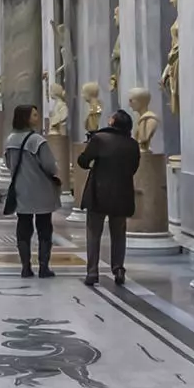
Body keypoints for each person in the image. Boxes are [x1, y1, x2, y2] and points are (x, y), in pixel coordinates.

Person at [78, 109, 141, 288]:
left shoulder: (99, 139)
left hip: (99, 192)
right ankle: (118, 268)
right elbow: (134, 167)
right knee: (119, 233)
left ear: (113, 122)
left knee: (93, 232)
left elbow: (82, 161)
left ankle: (92, 272)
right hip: (122, 192)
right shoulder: (132, 144)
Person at [2, 102, 62, 279]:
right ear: (26, 118)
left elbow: (8, 163)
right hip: (41, 189)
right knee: (44, 228)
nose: (37, 117)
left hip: (21, 189)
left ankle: (25, 267)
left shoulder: (10, 139)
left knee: (23, 228)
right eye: (34, 115)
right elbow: (50, 165)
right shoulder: (37, 140)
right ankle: (44, 267)